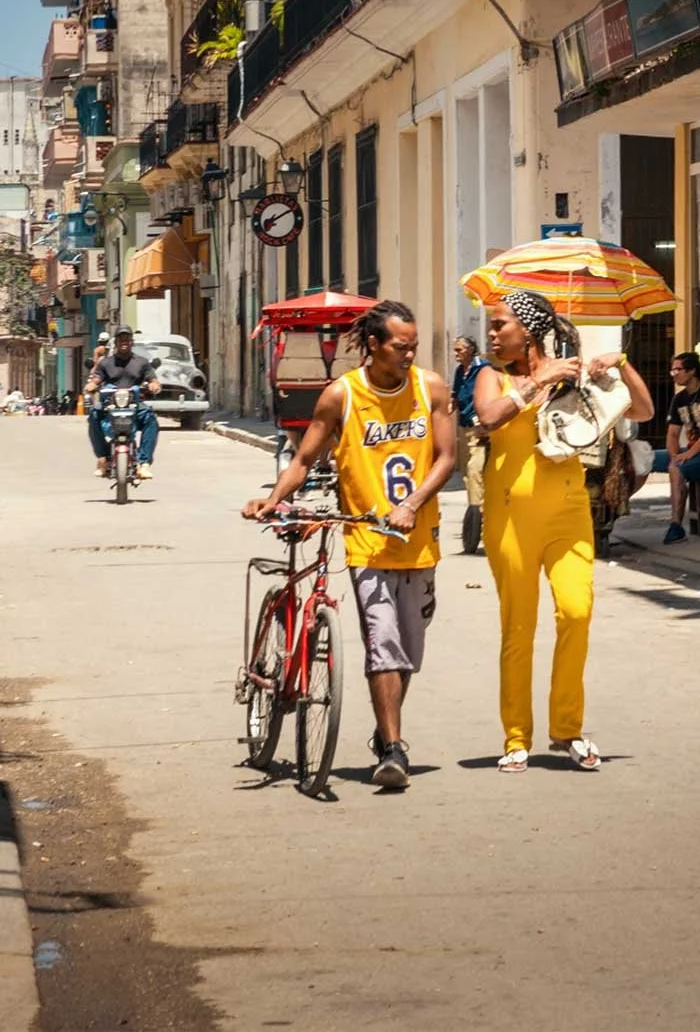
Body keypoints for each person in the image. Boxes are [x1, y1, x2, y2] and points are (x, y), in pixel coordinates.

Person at [243, 301, 455, 789]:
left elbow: (446, 457)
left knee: (407, 653)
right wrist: (273, 499)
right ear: (375, 345)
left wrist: (414, 502)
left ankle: (385, 734)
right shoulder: (342, 395)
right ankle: (396, 748)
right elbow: (304, 458)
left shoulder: (432, 388)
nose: (409, 355)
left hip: (420, 540)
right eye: (401, 347)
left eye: (414, 347)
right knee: (382, 644)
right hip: (366, 540)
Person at [473, 289, 653, 774]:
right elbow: (487, 419)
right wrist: (534, 382)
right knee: (519, 627)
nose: (492, 334)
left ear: (528, 330)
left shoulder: (569, 373)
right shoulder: (491, 377)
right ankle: (516, 737)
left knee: (576, 612)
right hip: (510, 514)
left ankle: (567, 729)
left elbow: (641, 411)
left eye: (500, 325)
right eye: (491, 326)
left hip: (569, 513)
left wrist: (622, 364)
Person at [650, 350, 700, 543]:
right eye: (672, 370)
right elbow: (673, 433)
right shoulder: (679, 398)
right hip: (688, 452)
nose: (674, 374)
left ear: (691, 371)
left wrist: (688, 454)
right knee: (645, 458)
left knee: (676, 468)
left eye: (677, 370)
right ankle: (617, 511)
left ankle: (676, 525)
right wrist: (675, 454)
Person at [85, 326, 161, 478]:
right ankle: (103, 459)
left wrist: (154, 385)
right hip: (110, 405)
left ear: (132, 342)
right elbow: (97, 378)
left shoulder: (141, 362)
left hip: (134, 404)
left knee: (151, 420)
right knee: (94, 415)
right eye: (121, 339)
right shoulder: (106, 363)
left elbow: (152, 379)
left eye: (127, 339)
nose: (124, 342)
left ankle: (144, 463)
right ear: (116, 342)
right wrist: (92, 385)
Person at [451, 334, 488, 510]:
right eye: (455, 350)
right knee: (468, 472)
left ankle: (478, 511)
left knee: (475, 470)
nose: (456, 353)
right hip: (464, 426)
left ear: (471, 350)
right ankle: (475, 507)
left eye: (459, 349)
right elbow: (455, 395)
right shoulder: (459, 370)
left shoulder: (484, 369)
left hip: (479, 427)